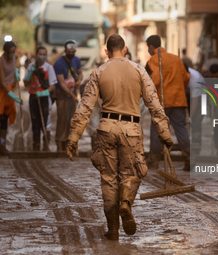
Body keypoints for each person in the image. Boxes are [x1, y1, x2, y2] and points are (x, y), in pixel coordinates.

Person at [67, 34, 173, 240]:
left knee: (108, 179)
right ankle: (126, 203)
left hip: (106, 128)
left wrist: (73, 137)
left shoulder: (98, 72)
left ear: (106, 52)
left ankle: (113, 229)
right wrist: (165, 135)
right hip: (131, 129)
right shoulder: (139, 70)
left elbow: (85, 107)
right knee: (132, 172)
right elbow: (154, 105)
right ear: (125, 50)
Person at [145, 35, 190, 170]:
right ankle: (189, 157)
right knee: (181, 129)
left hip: (162, 102)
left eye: (148, 47)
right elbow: (186, 78)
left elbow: (154, 81)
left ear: (151, 46)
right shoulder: (176, 59)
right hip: (178, 100)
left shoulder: (154, 60)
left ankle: (154, 159)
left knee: (157, 130)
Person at [24, 46, 57, 151]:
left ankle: (46, 144)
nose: (42, 56)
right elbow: (25, 83)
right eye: (40, 54)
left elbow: (53, 85)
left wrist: (44, 93)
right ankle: (36, 144)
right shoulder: (31, 66)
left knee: (45, 121)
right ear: (36, 54)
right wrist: (30, 74)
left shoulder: (49, 68)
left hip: (44, 98)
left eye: (44, 54)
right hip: (33, 97)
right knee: (35, 121)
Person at [54, 40, 83, 151]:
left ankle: (68, 141)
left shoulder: (76, 60)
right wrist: (73, 95)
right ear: (65, 51)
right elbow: (61, 84)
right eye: (69, 52)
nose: (71, 54)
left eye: (73, 51)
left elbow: (80, 73)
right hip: (62, 96)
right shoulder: (59, 64)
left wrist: (79, 80)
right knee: (62, 118)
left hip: (73, 95)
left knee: (71, 120)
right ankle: (59, 141)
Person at [0, 41, 22, 155]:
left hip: (10, 91)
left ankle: (2, 145)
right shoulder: (1, 61)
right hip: (2, 92)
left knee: (5, 121)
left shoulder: (14, 57)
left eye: (14, 52)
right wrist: (15, 97)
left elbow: (15, 66)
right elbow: (3, 83)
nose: (12, 54)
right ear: (6, 51)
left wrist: (17, 72)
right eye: (10, 52)